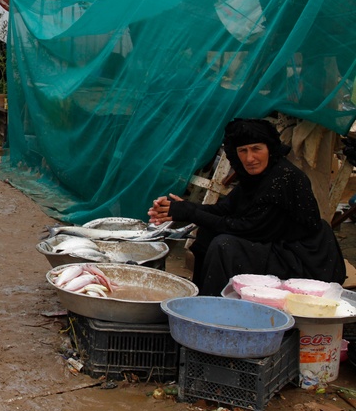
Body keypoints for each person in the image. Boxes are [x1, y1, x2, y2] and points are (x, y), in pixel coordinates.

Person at [148, 117, 346, 296]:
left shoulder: (283, 178)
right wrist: (181, 209)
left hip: (301, 258)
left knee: (225, 245)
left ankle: (216, 309)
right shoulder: (255, 177)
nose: (250, 158)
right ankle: (202, 298)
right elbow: (225, 210)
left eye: (256, 149)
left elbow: (248, 228)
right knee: (208, 232)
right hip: (273, 241)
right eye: (243, 151)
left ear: (270, 148)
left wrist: (192, 213)